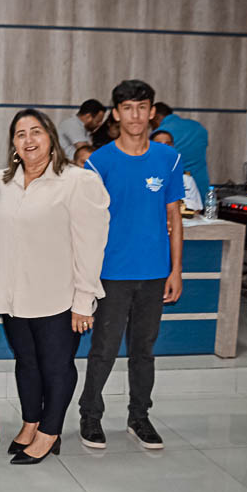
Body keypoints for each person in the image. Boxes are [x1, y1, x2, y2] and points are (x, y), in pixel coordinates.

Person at [0, 109, 110, 465]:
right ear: (12, 144)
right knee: (26, 363)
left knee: (56, 366)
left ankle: (49, 433)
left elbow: (90, 243)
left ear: (51, 137)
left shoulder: (76, 181)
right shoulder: (0, 183)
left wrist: (84, 299)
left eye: (36, 132)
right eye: (20, 134)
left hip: (58, 296)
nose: (28, 140)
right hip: (14, 295)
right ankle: (31, 423)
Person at [78, 79, 184, 451]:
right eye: (128, 108)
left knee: (144, 350)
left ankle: (140, 417)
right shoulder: (99, 162)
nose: (136, 115)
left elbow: (175, 217)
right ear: (117, 114)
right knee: (103, 349)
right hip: (111, 273)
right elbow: (87, 222)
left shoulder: (168, 158)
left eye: (142, 107)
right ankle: (90, 414)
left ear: (152, 111)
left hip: (155, 273)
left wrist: (176, 270)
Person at [155, 102, 210, 195]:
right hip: (201, 189)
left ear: (155, 117)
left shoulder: (161, 134)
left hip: (177, 192)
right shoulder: (197, 127)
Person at [150, 130, 203, 212]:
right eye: (159, 144)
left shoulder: (185, 178)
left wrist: (180, 203)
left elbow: (198, 208)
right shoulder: (143, 176)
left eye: (168, 144)